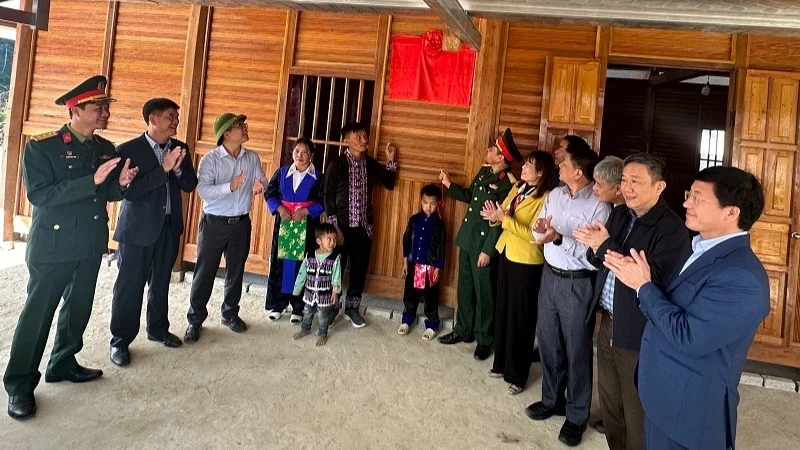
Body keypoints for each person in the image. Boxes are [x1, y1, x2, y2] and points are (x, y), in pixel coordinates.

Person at [604, 166, 770, 450]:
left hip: (687, 410)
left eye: (697, 198)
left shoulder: (742, 277)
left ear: (731, 212)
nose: (686, 203)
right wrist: (643, 284)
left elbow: (689, 337)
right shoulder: (699, 248)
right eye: (688, 194)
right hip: (661, 393)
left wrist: (643, 287)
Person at [4, 75, 137, 420]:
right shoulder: (42, 146)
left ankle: (62, 362)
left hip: (90, 242)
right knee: (38, 315)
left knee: (77, 309)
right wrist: (89, 180)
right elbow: (40, 194)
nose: (105, 112)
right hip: (53, 244)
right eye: (99, 107)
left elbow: (104, 194)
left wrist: (119, 185)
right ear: (75, 110)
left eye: (106, 106)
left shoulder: (104, 148)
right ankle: (19, 384)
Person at [574, 153, 690, 450]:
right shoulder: (620, 214)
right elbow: (600, 258)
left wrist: (604, 246)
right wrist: (593, 246)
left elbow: (653, 280)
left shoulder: (672, 229)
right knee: (611, 406)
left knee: (636, 411)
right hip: (609, 322)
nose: (626, 187)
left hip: (640, 332)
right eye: (624, 180)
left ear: (659, 186)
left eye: (636, 181)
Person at [524, 140, 611, 447]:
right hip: (549, 276)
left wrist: (558, 237)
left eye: (563, 164)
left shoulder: (600, 204)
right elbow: (542, 231)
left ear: (578, 171)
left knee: (577, 348)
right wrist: (542, 230)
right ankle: (552, 400)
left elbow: (593, 251)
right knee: (548, 342)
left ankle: (576, 416)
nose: (558, 166)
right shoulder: (556, 195)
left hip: (578, 282)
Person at [109, 97, 198, 367]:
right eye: (171, 116)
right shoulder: (128, 150)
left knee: (161, 282)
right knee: (129, 286)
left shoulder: (180, 148)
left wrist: (179, 167)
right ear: (153, 119)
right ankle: (120, 341)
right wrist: (163, 169)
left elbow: (190, 185)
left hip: (169, 228)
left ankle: (157, 328)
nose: (176, 121)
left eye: (177, 117)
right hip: (137, 230)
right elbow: (130, 192)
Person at [437, 128, 522, 361]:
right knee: (464, 288)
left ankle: (484, 338)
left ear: (502, 157)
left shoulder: (510, 184)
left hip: (484, 245)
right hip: (468, 238)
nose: (487, 151)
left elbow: (501, 221)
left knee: (485, 294)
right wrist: (448, 184)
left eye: (492, 149)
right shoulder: (485, 172)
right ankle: (463, 330)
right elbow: (469, 197)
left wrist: (487, 250)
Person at [184, 113, 268, 343]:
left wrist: (261, 184)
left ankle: (230, 314)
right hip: (214, 223)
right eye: (240, 126)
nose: (245, 128)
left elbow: (262, 179)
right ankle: (195, 320)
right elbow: (203, 191)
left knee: (235, 271)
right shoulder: (211, 160)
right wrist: (229, 187)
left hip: (241, 223)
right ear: (227, 134)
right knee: (205, 272)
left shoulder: (251, 158)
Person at [480, 150, 555, 395]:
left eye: (529, 166)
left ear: (541, 172)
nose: (522, 168)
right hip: (506, 253)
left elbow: (535, 235)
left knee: (521, 318)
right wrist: (494, 216)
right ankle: (500, 363)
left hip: (527, 261)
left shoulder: (546, 198)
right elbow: (502, 213)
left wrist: (504, 219)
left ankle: (518, 375)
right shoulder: (519, 188)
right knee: (503, 310)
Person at [324, 122, 397, 328]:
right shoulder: (336, 164)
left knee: (359, 269)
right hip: (341, 228)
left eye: (365, 136)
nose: (364, 140)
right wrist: (334, 227)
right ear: (347, 140)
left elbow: (389, 183)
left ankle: (352, 308)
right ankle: (332, 308)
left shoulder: (371, 164)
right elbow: (327, 195)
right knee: (335, 269)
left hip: (364, 228)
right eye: (358, 136)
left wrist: (391, 160)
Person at [265, 137, 325, 323]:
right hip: (284, 223)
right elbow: (270, 193)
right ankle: (279, 304)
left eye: (305, 151)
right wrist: (280, 209)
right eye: (297, 151)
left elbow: (324, 199)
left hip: (306, 226)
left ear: (312, 156)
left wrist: (307, 211)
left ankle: (298, 307)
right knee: (281, 263)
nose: (300, 155)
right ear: (292, 153)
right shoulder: (282, 173)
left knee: (303, 264)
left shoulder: (319, 177)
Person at [398, 183, 446, 340]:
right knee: (411, 293)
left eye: (432, 204)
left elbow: (441, 246)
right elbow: (406, 240)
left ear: (438, 203)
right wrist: (405, 261)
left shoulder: (439, 224)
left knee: (430, 295)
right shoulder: (414, 220)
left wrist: (438, 267)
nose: (428, 207)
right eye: (425, 203)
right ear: (421, 201)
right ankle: (407, 319)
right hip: (414, 264)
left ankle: (432, 324)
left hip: (430, 267)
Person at [291, 223, 342, 347]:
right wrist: (297, 288)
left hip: (325, 296)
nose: (332, 242)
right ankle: (305, 329)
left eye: (334, 239)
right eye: (329, 239)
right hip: (309, 294)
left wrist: (335, 291)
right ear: (319, 240)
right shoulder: (310, 256)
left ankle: (322, 333)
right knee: (307, 312)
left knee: (323, 316)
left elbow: (336, 276)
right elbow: (302, 273)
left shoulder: (335, 258)